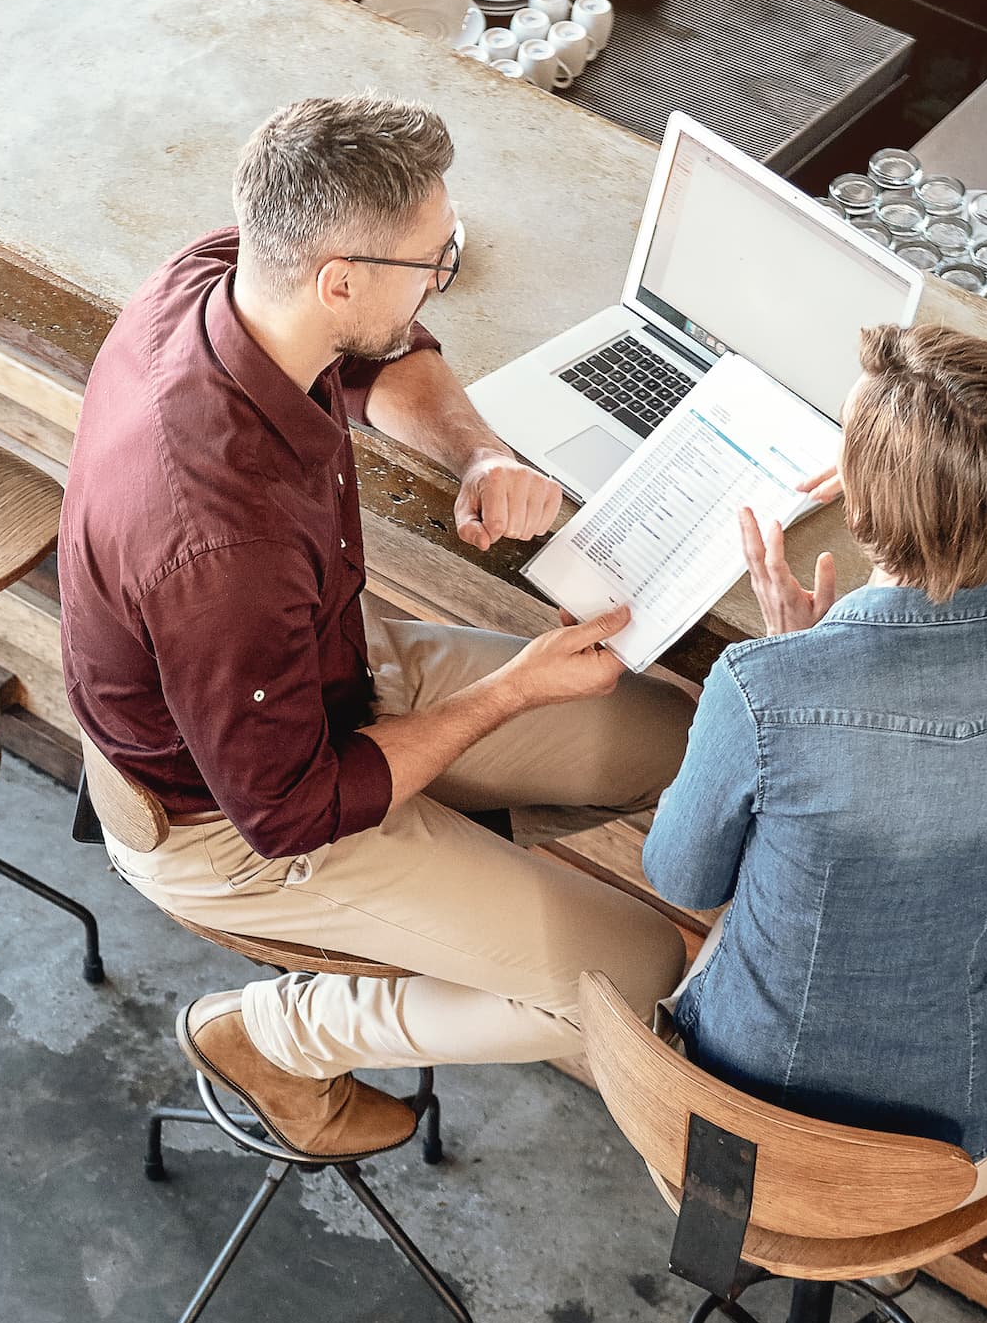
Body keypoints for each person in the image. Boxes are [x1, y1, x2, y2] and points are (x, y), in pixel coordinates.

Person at [59, 96, 695, 1158]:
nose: (443, 274)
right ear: (338, 278)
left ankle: (448, 868)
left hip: (324, 672)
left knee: (670, 738)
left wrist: (482, 453)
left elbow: (375, 354)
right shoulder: (223, 547)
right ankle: (275, 1036)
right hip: (232, 819)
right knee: (637, 975)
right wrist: (509, 695)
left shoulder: (226, 273)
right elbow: (293, 810)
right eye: (430, 261)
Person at [645, 322, 987, 1200]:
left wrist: (801, 659)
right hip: (955, 1141)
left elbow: (682, 879)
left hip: (746, 1121)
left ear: (858, 508)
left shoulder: (760, 689)